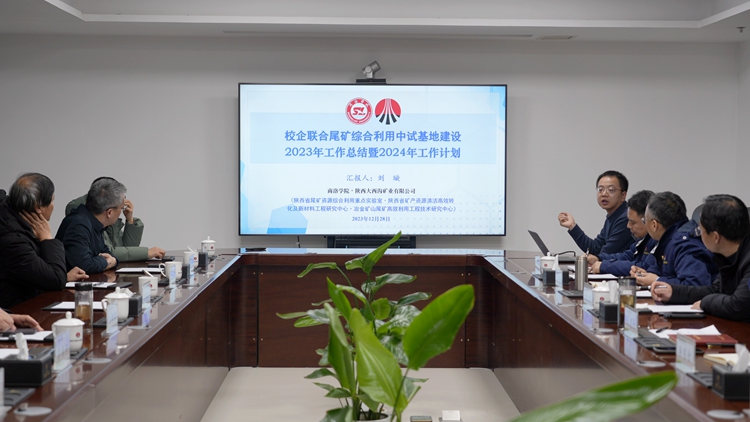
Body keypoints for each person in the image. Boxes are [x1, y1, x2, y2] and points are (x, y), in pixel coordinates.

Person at [652, 195, 750, 321]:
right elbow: (714, 290)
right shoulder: (727, 256)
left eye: (700, 230)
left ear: (715, 237)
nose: (698, 235)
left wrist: (705, 303)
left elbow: (738, 306)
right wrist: (674, 292)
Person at [0, 174, 88, 308]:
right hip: (16, 311)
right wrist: (47, 238)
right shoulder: (12, 240)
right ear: (38, 207)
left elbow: (36, 272)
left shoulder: (12, 215)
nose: (53, 206)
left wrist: (63, 276)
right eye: (52, 200)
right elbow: (56, 280)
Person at [66, 177, 164, 262]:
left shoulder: (106, 215)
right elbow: (109, 253)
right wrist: (146, 253)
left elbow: (125, 249)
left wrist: (130, 221)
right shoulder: (86, 217)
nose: (122, 201)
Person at [631, 191, 716, 287]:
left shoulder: (685, 245)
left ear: (654, 225)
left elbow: (695, 285)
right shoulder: (668, 239)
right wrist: (645, 275)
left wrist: (656, 280)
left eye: (644, 221)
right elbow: (664, 271)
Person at [56, 178, 127, 274]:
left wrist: (113, 261)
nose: (121, 212)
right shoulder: (78, 225)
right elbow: (83, 266)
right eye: (121, 208)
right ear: (109, 212)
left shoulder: (95, 222)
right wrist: (106, 262)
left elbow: (108, 254)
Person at [558, 170, 634, 255]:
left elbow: (605, 254)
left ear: (623, 195)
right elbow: (595, 248)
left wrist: (595, 258)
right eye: (600, 189)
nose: (604, 194)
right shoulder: (613, 216)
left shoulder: (626, 218)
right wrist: (572, 226)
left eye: (611, 190)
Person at [588, 190, 657, 276]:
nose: (628, 226)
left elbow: (644, 267)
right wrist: (599, 258)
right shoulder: (643, 239)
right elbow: (627, 256)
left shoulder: (658, 240)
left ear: (647, 220)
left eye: (632, 222)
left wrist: (605, 266)